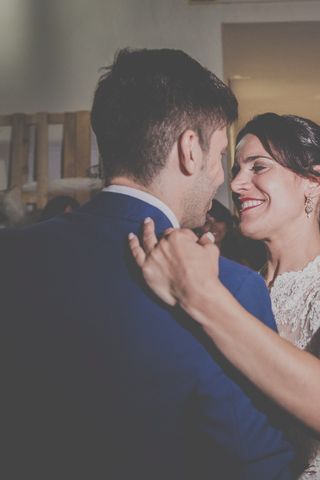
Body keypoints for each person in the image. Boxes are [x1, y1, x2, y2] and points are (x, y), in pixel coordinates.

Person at [0, 48, 299, 479]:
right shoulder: (226, 288)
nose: (222, 178)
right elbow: (256, 466)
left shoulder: (10, 254)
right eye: (219, 155)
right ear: (189, 150)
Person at [129, 113, 320, 480]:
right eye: (235, 169)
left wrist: (201, 297)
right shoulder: (235, 282)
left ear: (312, 181)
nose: (236, 183)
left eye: (257, 167)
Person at [197, 199, 266, 270]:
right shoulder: (195, 256)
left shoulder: (242, 250)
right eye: (206, 223)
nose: (214, 227)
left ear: (226, 224)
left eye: (218, 220)